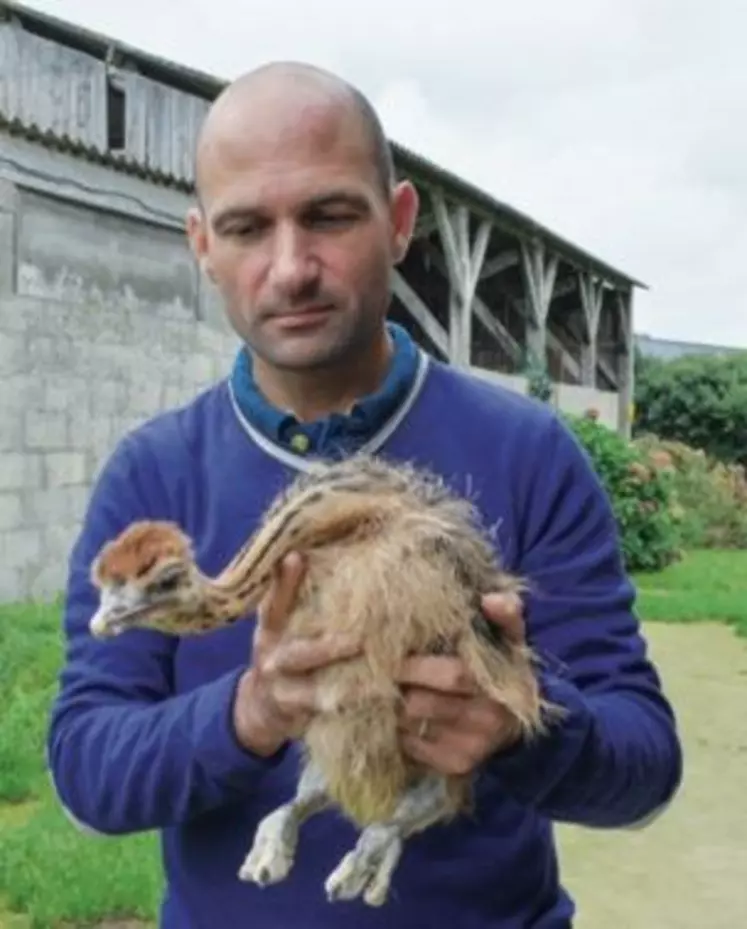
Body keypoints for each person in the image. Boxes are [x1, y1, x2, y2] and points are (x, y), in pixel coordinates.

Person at [46, 61, 683, 929]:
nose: (290, 266)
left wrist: (522, 727)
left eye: (328, 215)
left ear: (399, 222)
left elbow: (643, 770)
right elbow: (87, 775)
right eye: (244, 227)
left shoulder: (529, 452)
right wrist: (251, 710)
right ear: (201, 246)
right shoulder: (153, 476)